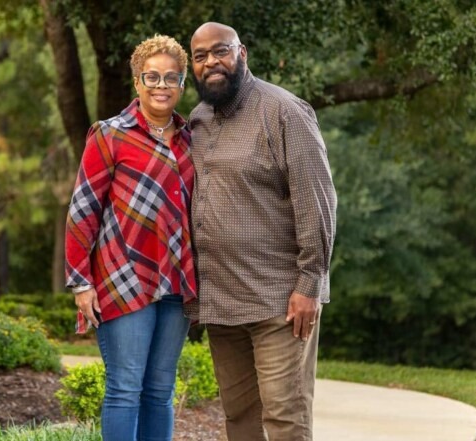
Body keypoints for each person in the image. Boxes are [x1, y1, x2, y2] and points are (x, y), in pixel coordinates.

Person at [187, 22, 337, 441]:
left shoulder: (285, 111)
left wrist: (309, 284)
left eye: (221, 51)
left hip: (280, 302)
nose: (212, 62)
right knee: (239, 418)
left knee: (286, 418)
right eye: (200, 56)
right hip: (221, 301)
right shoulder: (197, 120)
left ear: (243, 53)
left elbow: (318, 202)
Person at [64, 35, 196, 441]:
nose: (161, 85)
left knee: (160, 391)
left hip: (176, 281)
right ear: (136, 82)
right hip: (122, 279)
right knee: (125, 389)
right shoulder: (109, 135)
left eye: (170, 77)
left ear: (182, 83)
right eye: (151, 76)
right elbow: (83, 210)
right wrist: (81, 282)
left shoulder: (193, 139)